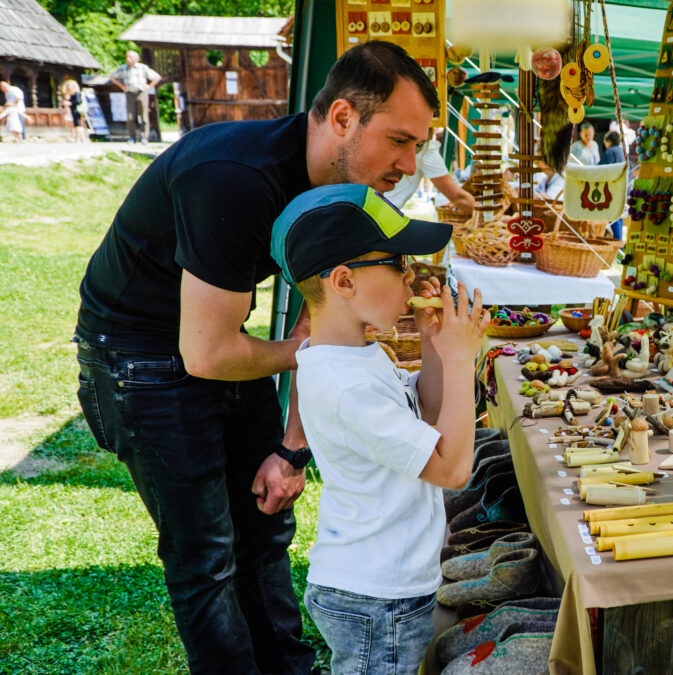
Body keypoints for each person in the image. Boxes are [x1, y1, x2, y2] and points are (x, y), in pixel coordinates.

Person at [74, 41, 440, 674]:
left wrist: (291, 449)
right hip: (138, 357)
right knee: (207, 557)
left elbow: (315, 321)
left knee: (266, 528)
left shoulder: (347, 183)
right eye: (400, 141)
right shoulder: (234, 177)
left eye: (418, 147)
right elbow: (213, 353)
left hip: (214, 342)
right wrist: (305, 353)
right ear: (345, 118)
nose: (409, 166)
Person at [271, 184, 487, 675]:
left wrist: (434, 348)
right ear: (344, 281)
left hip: (381, 583)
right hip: (376, 597)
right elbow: (451, 469)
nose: (412, 277)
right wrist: (459, 359)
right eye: (398, 263)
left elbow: (428, 416)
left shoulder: (356, 355)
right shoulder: (345, 385)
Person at [384, 131, 474, 212]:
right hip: (383, 211)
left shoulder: (392, 139)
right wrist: (484, 213)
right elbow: (458, 198)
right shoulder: (425, 149)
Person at [111, 50, 161, 144]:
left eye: (130, 57)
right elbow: (112, 77)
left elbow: (156, 77)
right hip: (129, 93)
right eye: (127, 57)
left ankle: (144, 137)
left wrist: (149, 86)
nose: (128, 59)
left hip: (141, 92)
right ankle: (132, 137)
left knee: (144, 116)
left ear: (135, 59)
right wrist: (122, 86)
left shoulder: (142, 68)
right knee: (130, 117)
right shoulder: (123, 68)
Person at [61, 78, 87, 143]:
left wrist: (70, 103)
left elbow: (78, 101)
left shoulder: (76, 93)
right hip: (71, 111)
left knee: (78, 125)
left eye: (70, 85)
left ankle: (80, 138)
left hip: (76, 110)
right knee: (75, 125)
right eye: (68, 85)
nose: (69, 86)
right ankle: (77, 138)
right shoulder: (68, 94)